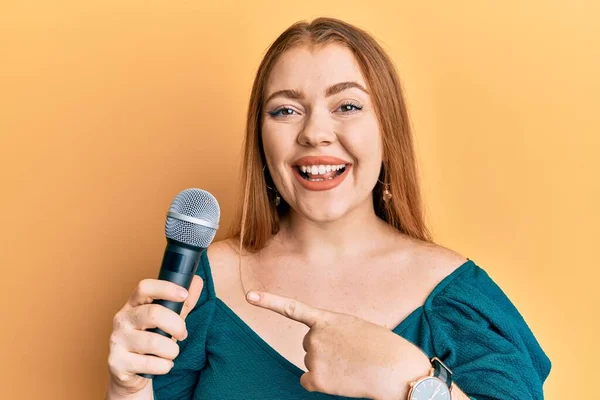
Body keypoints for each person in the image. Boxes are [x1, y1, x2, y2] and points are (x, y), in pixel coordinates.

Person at [106, 17, 551, 400]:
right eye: (285, 111)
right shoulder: (201, 287)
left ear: (387, 129)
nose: (315, 133)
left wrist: (407, 381)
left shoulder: (458, 299)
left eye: (348, 106)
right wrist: (126, 389)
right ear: (261, 138)